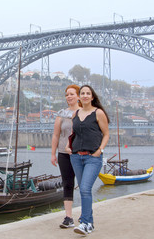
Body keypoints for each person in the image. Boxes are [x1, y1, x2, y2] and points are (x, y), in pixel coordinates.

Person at [67, 85, 110, 235]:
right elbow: (74, 134)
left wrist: (100, 151)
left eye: (88, 93)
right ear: (79, 97)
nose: (85, 95)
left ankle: (84, 223)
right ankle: (90, 223)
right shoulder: (75, 114)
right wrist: (68, 146)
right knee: (84, 190)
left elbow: (106, 134)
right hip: (76, 157)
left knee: (85, 188)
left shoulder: (98, 113)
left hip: (93, 157)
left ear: (92, 97)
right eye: (82, 93)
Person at [51, 84, 81, 228]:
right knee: (67, 183)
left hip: (81, 153)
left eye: (72, 94)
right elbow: (56, 135)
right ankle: (68, 217)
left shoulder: (84, 113)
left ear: (79, 96)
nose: (69, 97)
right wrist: (53, 154)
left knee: (84, 184)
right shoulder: (61, 114)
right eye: (67, 94)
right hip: (63, 153)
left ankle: (86, 214)